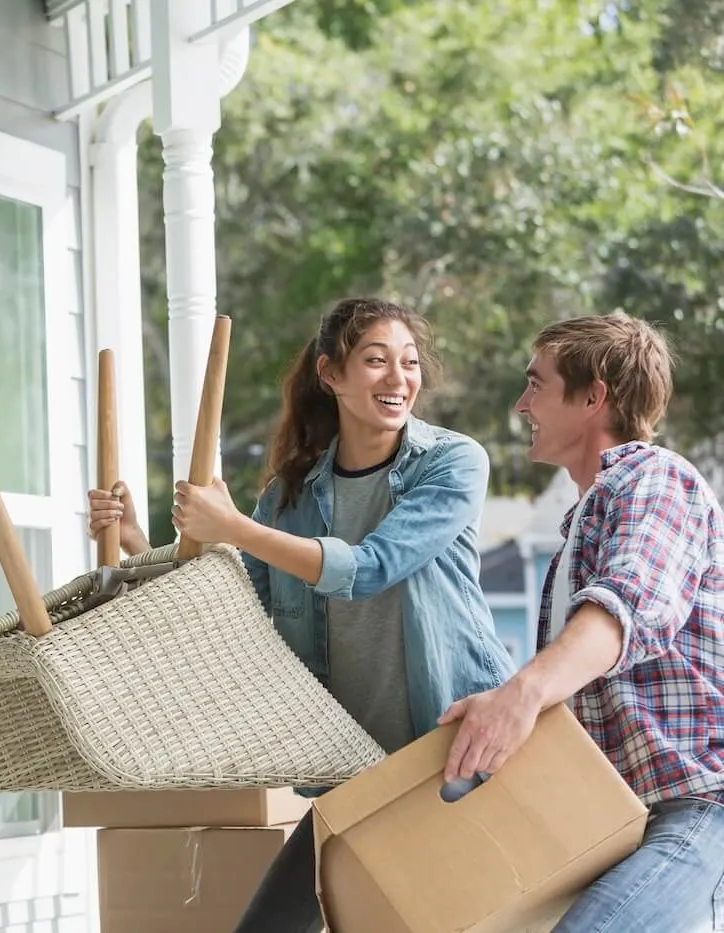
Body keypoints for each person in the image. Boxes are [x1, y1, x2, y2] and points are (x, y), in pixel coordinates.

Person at [89, 297, 514, 933]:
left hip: (449, 754)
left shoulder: (452, 463)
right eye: (375, 361)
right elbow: (232, 604)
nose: (399, 379)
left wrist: (233, 526)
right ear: (331, 375)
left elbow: (369, 568)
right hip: (352, 769)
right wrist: (134, 541)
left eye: (409, 362)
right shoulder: (289, 496)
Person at [438, 313, 724, 931]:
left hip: (699, 809)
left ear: (594, 396)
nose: (521, 404)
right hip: (621, 822)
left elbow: (630, 605)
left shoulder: (657, 480)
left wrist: (521, 694)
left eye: (535, 384)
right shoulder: (585, 521)